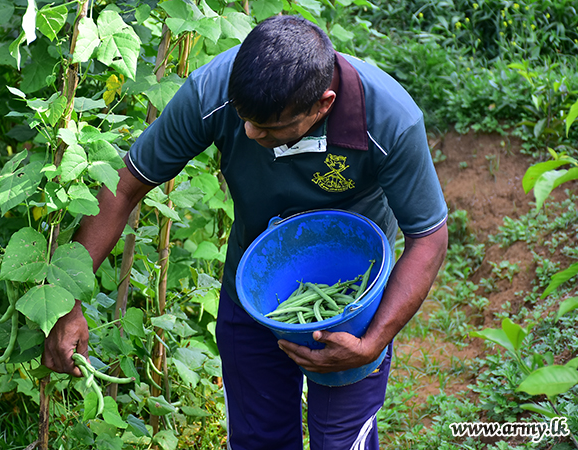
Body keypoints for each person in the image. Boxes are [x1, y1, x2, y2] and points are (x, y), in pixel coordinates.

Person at [43, 15, 448, 450]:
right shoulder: (215, 91)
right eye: (245, 120)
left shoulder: (389, 120)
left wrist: (372, 342)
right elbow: (125, 185)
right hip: (253, 289)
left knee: (341, 441)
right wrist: (68, 303)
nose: (251, 133)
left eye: (271, 128)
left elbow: (429, 236)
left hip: (351, 307)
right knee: (260, 440)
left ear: (323, 105)